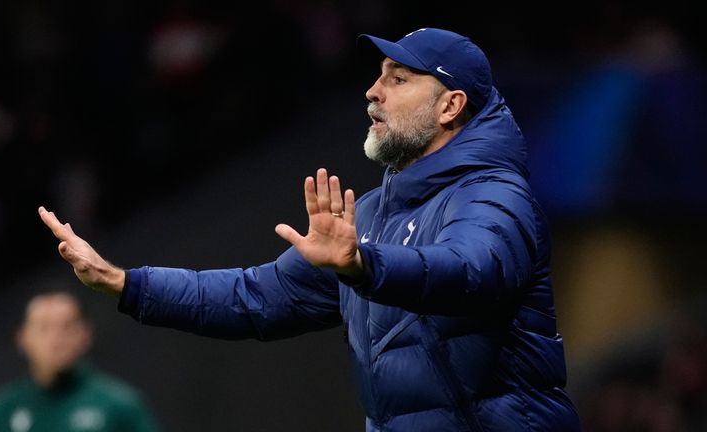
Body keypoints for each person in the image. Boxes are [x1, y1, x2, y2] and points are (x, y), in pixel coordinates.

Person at [39, 27, 582, 431]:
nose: (373, 91)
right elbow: (253, 297)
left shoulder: (492, 192)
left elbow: (472, 272)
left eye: (398, 79)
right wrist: (126, 283)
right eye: (377, 75)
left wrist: (363, 267)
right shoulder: (368, 217)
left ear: (450, 106)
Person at [0, 291, 160, 432]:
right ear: (23, 338)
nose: (56, 339)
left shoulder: (120, 407)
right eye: (44, 328)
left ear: (85, 335)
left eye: (66, 327)